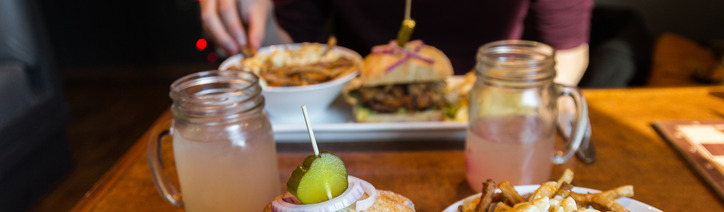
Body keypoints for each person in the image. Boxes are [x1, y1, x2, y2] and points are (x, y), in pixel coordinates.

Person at [200, 0, 593, 85]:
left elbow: (566, 54)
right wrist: (252, 13)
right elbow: (287, 50)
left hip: (490, 95)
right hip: (349, 113)